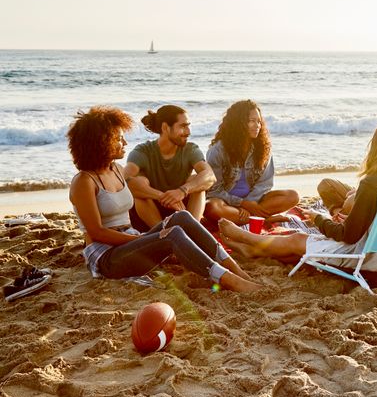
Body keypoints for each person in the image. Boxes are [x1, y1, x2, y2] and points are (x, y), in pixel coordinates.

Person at [67, 106, 261, 292]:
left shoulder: (116, 170)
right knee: (172, 233)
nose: (124, 143)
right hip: (106, 257)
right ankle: (226, 279)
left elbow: (137, 183)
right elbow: (97, 232)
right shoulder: (84, 181)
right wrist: (140, 237)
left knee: (182, 218)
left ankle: (235, 269)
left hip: (129, 241)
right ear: (102, 142)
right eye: (118, 139)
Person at [218, 119, 377, 272]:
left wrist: (319, 219)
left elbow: (347, 236)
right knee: (305, 247)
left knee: (298, 239)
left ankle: (244, 236)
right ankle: (253, 252)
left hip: (369, 265)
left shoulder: (371, 184)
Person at [203, 100, 299, 227]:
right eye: (252, 121)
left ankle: (242, 218)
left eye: (259, 121)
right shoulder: (217, 150)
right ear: (238, 123)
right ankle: (261, 220)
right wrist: (242, 204)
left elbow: (264, 184)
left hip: (255, 202)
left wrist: (250, 204)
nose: (257, 125)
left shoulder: (263, 149)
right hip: (225, 203)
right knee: (212, 208)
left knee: (292, 196)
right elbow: (214, 191)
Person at [124, 105, 216, 232]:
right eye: (183, 126)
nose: (188, 131)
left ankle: (192, 232)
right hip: (149, 218)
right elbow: (124, 181)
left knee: (198, 183)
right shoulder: (143, 151)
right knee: (139, 183)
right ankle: (164, 234)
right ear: (165, 127)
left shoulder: (190, 149)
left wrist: (182, 191)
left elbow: (210, 176)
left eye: (188, 126)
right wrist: (162, 196)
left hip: (180, 209)